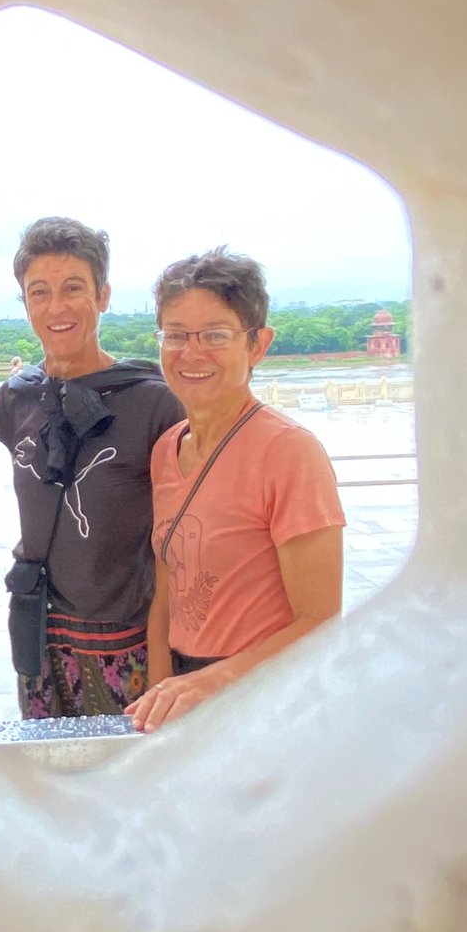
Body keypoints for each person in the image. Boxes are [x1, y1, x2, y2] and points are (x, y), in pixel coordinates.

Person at [126, 247, 345, 732]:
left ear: (257, 345)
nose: (192, 352)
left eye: (216, 335)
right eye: (176, 335)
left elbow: (321, 620)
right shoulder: (166, 448)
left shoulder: (289, 452)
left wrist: (213, 684)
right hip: (185, 689)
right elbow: (167, 592)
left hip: (260, 693)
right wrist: (160, 696)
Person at [0, 217, 184, 719]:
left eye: (74, 288)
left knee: (129, 783)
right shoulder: (16, 399)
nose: (57, 307)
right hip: (38, 634)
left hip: (127, 641)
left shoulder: (154, 404)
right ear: (25, 303)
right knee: (50, 783)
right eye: (39, 292)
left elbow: (178, 547)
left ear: (103, 295)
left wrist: (164, 665)